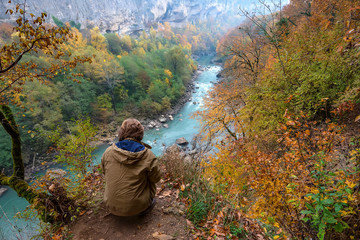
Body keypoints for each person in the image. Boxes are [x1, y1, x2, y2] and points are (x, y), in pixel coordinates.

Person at [101, 118, 161, 216]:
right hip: (139, 208)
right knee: (149, 178)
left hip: (112, 207)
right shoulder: (147, 155)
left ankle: (118, 202)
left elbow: (104, 172)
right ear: (141, 134)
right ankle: (141, 205)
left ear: (121, 133)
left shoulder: (107, 152)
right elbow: (156, 178)